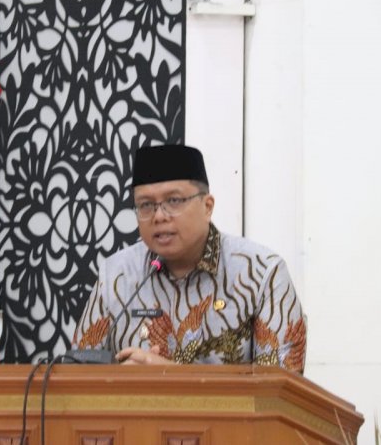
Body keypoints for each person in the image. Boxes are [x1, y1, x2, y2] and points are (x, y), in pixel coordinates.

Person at [72, 144, 306, 371]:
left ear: (207, 206)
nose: (159, 216)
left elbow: (278, 387)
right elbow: (77, 375)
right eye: (146, 205)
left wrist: (171, 376)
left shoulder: (262, 273)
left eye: (174, 201)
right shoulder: (116, 274)